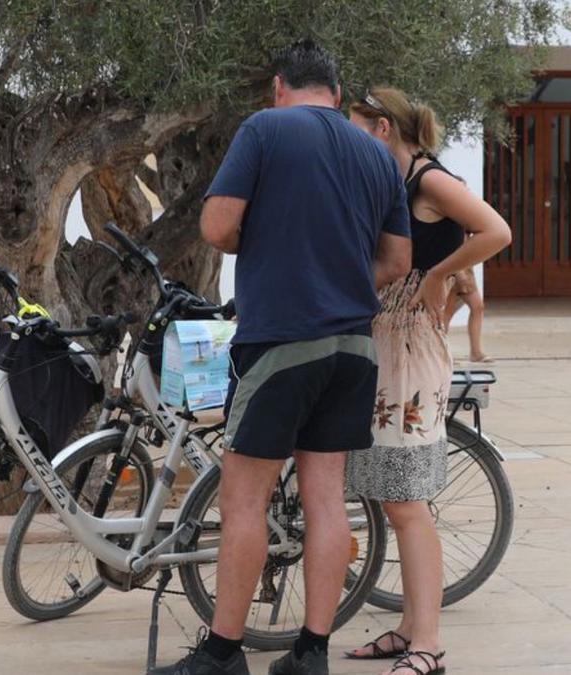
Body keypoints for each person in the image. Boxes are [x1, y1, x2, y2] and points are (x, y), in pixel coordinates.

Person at [153, 39, 412, 675]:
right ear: (337, 94)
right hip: (353, 346)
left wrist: (269, 246)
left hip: (280, 344)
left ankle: (221, 654)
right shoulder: (376, 154)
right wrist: (343, 278)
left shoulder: (265, 128)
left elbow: (217, 228)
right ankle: (311, 653)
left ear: (278, 87)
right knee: (326, 499)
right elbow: (399, 261)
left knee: (245, 501)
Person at [345, 87, 511, 675]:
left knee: (406, 500)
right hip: (388, 343)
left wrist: (438, 274)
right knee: (396, 498)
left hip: (411, 346)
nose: (351, 136)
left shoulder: (430, 181)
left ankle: (429, 643)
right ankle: (411, 628)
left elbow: (496, 231)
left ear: (383, 127)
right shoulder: (394, 182)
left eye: (358, 126)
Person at [443, 267, 491, 362]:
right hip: (454, 268)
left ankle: (476, 352)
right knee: (447, 312)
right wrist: (458, 272)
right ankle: (441, 354)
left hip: (466, 268)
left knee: (477, 307)